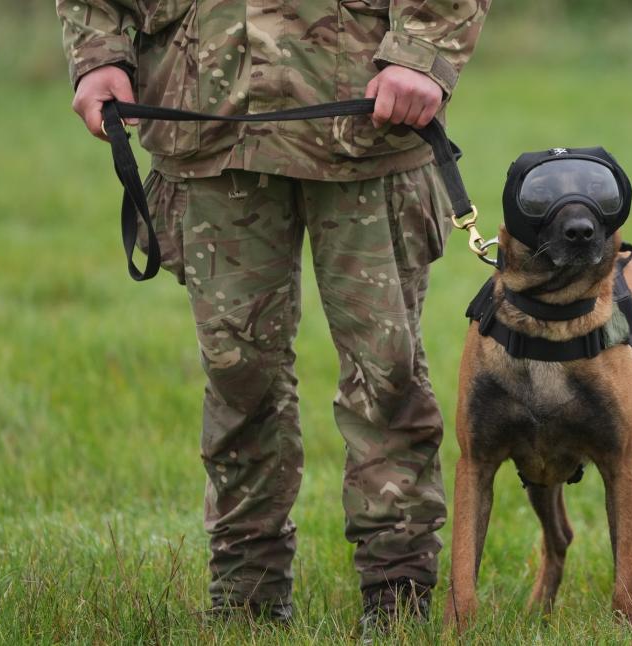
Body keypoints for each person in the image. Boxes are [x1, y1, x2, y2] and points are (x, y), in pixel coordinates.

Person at [56, 0, 488, 630]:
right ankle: (246, 598)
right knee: (239, 375)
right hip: (205, 118)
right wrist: (97, 56)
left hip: (364, 115)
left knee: (385, 372)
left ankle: (398, 593)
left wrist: (422, 51)